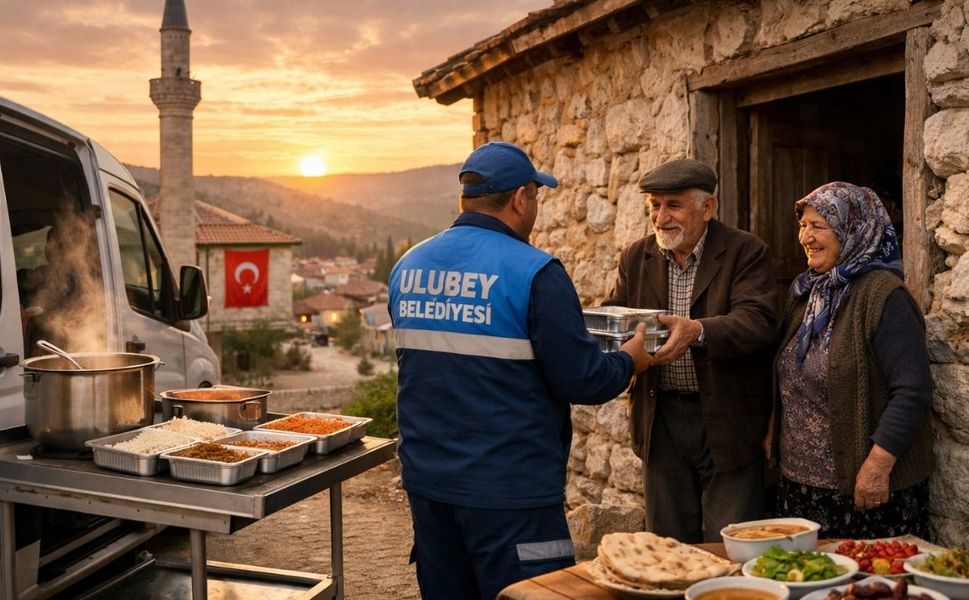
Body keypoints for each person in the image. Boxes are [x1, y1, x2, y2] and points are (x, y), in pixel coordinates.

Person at [389, 141, 654, 600]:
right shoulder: (536, 272)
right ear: (519, 199)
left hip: (429, 484)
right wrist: (632, 358)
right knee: (537, 593)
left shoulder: (407, 266)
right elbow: (583, 379)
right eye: (535, 194)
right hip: (511, 492)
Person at [604, 158, 778, 543]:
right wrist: (612, 349)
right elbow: (616, 312)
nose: (661, 217)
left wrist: (697, 331)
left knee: (731, 542)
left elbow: (758, 321)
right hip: (660, 418)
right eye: (655, 205)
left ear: (707, 207)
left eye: (674, 205)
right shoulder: (636, 256)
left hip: (727, 419)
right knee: (667, 545)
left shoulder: (745, 251)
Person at [772, 181, 933, 538]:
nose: (806, 237)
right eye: (803, 225)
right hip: (801, 487)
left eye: (818, 226)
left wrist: (877, 466)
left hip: (864, 491)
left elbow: (913, 390)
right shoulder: (806, 291)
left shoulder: (884, 296)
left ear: (852, 229)